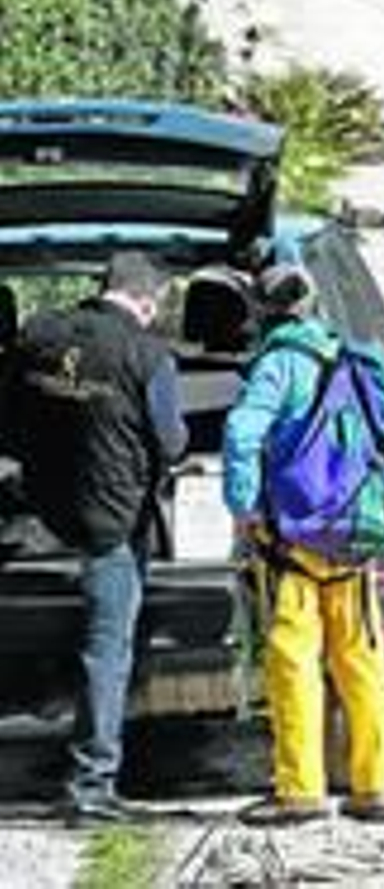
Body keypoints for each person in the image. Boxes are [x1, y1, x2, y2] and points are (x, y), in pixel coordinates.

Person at [0, 252, 186, 824]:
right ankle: (90, 785)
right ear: (149, 303)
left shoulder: (37, 336)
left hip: (37, 518)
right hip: (111, 525)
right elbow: (173, 442)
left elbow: (6, 416)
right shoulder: (148, 354)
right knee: (106, 653)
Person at [224, 264, 384, 827]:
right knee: (363, 657)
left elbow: (241, 433)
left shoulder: (278, 365)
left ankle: (300, 789)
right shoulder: (358, 358)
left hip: (297, 538)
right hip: (358, 532)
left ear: (264, 312)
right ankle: (374, 788)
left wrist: (245, 506)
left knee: (293, 658)